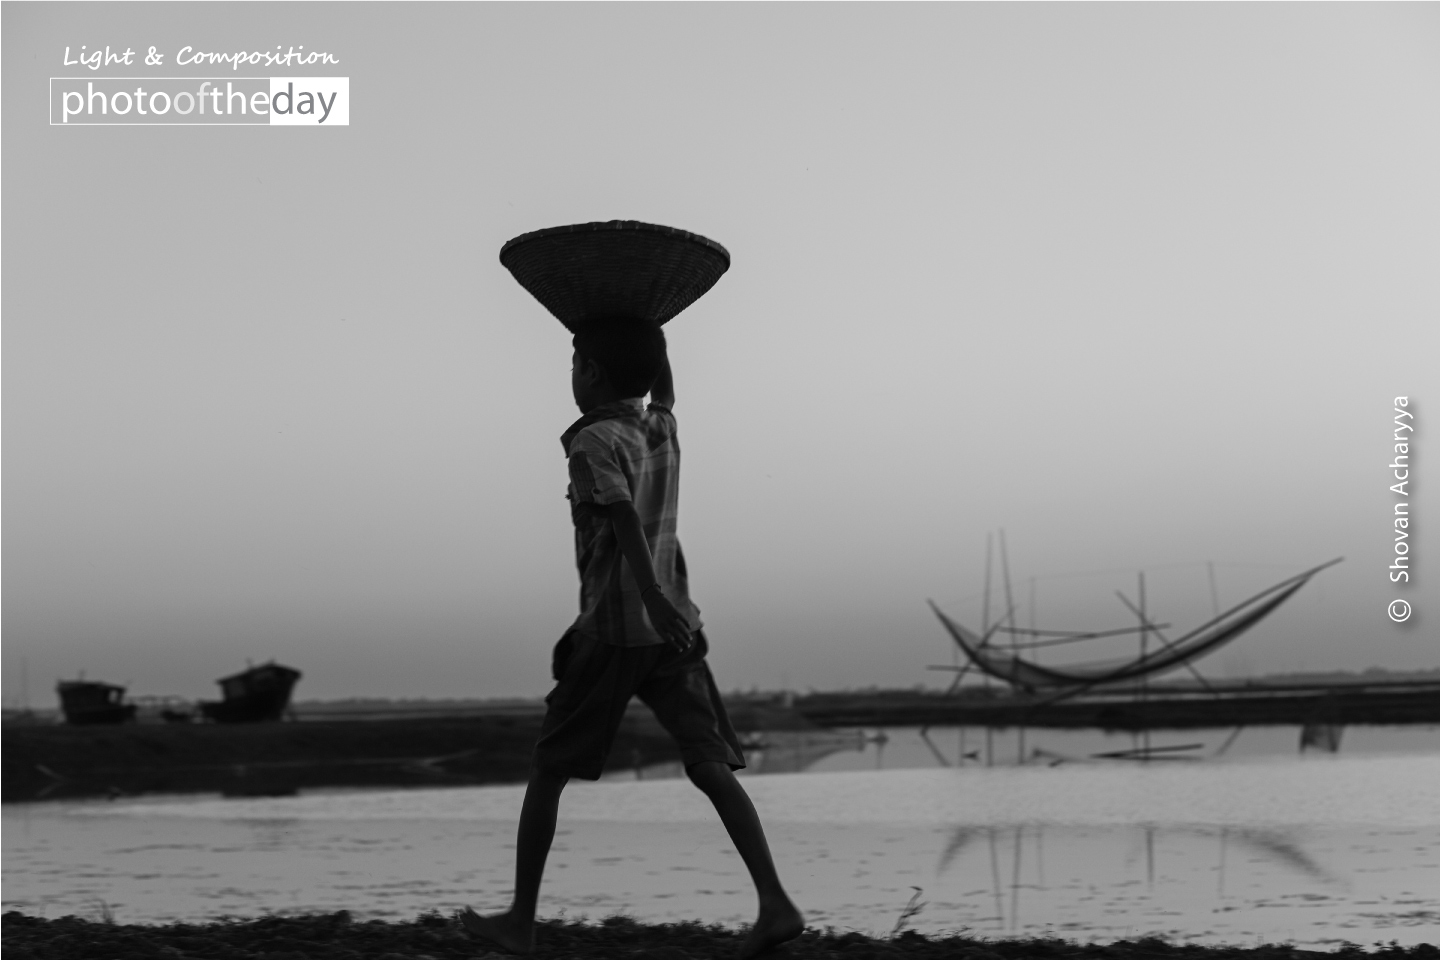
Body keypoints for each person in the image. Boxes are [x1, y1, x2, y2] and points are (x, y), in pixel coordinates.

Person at [460, 316, 804, 957]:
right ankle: (776, 903)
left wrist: (647, 594)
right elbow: (664, 389)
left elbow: (621, 517)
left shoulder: (593, 442)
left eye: (574, 364)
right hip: (675, 630)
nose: (571, 374)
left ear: (590, 372)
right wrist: (653, 326)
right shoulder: (660, 426)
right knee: (709, 764)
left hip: (615, 630)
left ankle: (520, 921)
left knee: (548, 770)